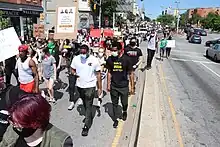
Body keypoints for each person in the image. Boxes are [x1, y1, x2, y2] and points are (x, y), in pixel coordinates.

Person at [0, 94, 73, 147]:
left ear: (33, 122)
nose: (12, 123)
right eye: (11, 118)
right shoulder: (13, 130)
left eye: (18, 121)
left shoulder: (61, 142)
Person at [70, 45, 102, 136]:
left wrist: (99, 88)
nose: (82, 54)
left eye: (84, 52)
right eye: (81, 52)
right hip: (80, 85)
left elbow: (98, 74)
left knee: (88, 104)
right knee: (84, 103)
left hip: (90, 86)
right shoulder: (76, 59)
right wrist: (74, 73)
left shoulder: (94, 60)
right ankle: (89, 115)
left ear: (88, 51)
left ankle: (86, 126)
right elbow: (72, 69)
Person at [106, 42, 134, 128]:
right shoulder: (110, 59)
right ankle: (115, 119)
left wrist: (132, 87)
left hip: (124, 86)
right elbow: (109, 72)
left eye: (115, 50)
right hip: (114, 86)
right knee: (114, 104)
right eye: (112, 50)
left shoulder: (126, 59)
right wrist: (108, 84)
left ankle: (124, 111)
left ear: (120, 50)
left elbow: (131, 73)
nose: (113, 52)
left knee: (124, 103)